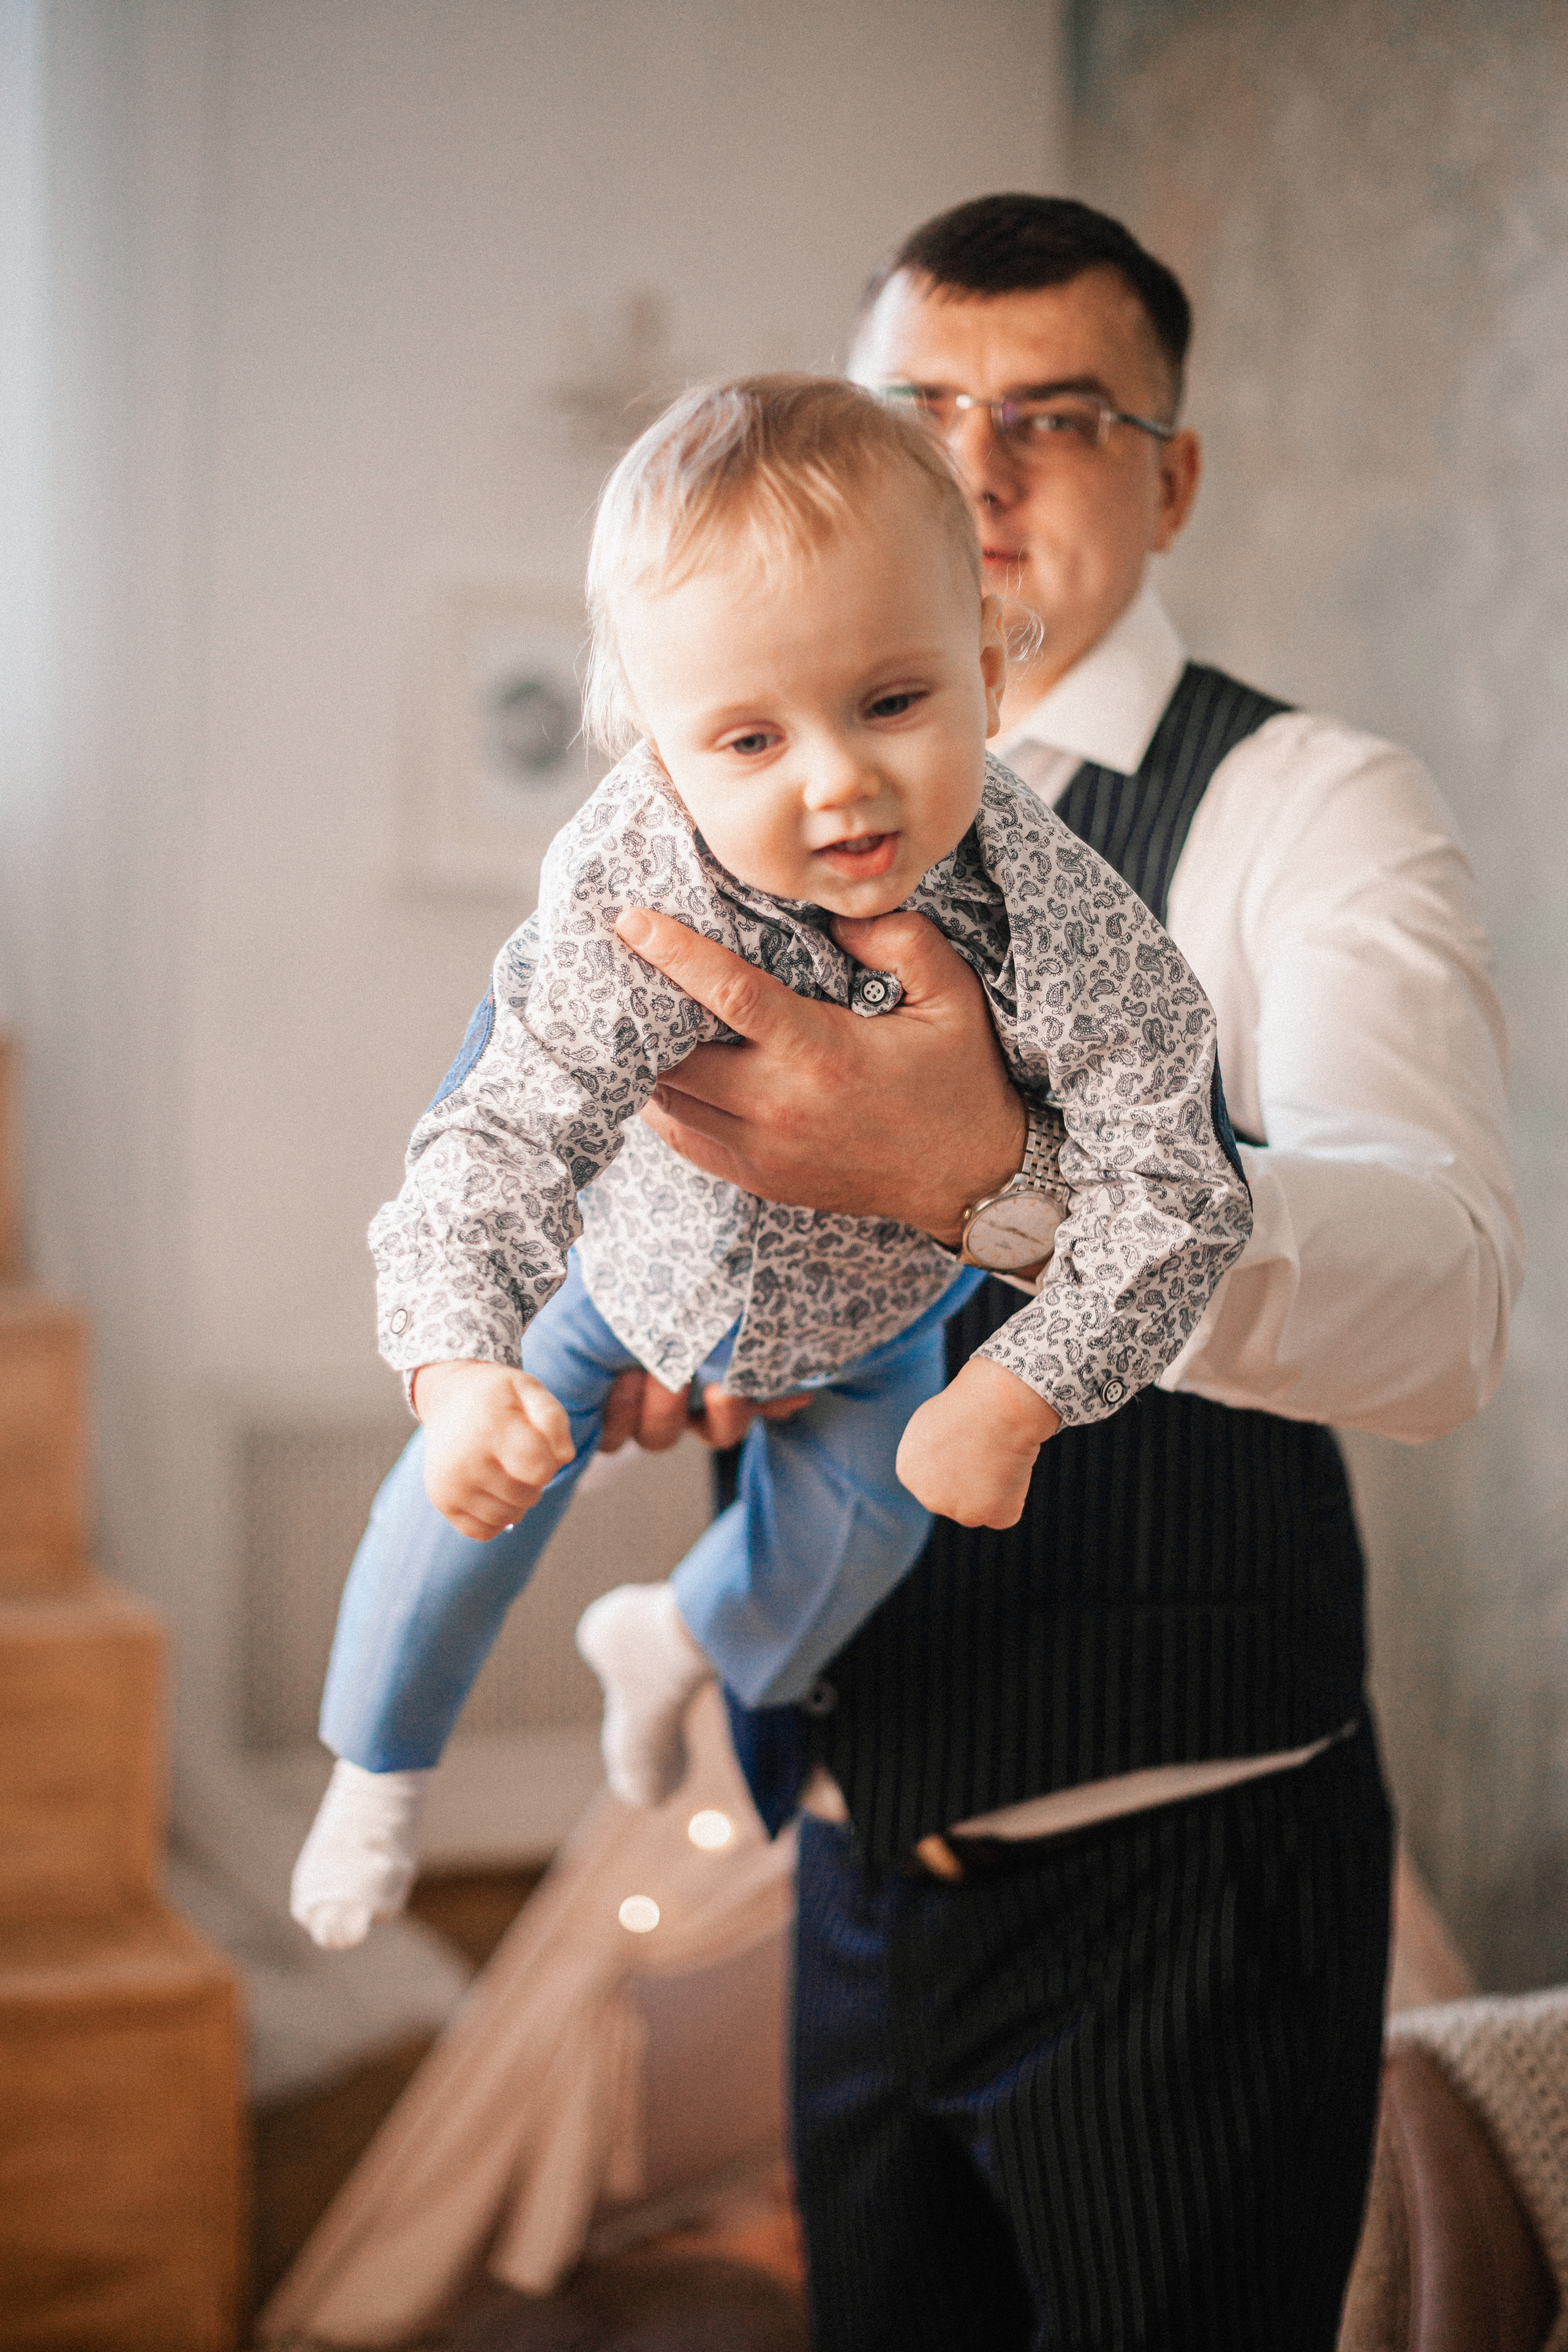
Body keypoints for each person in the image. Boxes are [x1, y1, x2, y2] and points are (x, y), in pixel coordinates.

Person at [590, 197, 1522, 2348]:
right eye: (924, 410)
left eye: (1060, 417)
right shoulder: (730, 792)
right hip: (839, 1867)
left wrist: (1004, 1177)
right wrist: (682, 1344)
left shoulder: (1313, 808)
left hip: (1183, 1893)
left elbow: (1446, 1301)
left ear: (1171, 473)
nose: (979, 469)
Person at [288, 374, 1250, 1956]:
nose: (838, 783)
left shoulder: (1054, 907)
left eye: (892, 702)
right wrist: (458, 1366)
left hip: (876, 1331)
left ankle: (674, 1636)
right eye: (750, 736)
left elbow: (1182, 1181)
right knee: (459, 1503)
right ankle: (376, 1771)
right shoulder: (631, 866)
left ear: (990, 671)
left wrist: (1023, 1391)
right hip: (624, 1273)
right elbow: (503, 1119)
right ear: (658, 752)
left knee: (860, 1543)